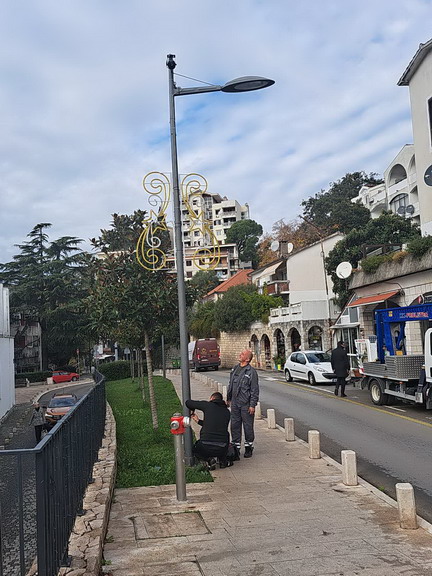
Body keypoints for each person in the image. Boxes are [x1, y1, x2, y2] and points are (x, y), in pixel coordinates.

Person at [227, 349, 259, 459]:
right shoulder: (235, 368)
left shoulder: (251, 372)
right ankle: (236, 448)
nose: (240, 354)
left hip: (246, 404)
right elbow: (231, 384)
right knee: (234, 425)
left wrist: (252, 405)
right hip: (235, 403)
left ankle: (249, 447)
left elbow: (254, 390)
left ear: (247, 359)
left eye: (243, 354)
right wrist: (228, 398)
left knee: (247, 426)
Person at [185, 392, 231, 468]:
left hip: (205, 447)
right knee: (225, 435)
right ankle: (223, 461)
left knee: (195, 449)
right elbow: (216, 425)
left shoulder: (208, 405)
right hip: (222, 448)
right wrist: (198, 421)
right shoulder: (227, 412)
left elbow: (188, 403)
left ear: (212, 398)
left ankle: (209, 460)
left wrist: (192, 410)